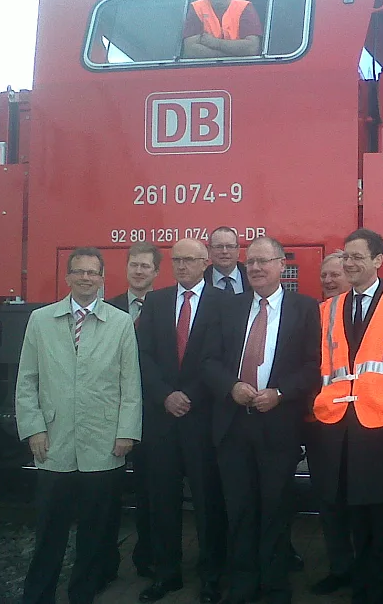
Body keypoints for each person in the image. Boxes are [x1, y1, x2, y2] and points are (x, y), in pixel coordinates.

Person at [15, 247, 142, 604]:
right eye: (79, 272)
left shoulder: (119, 323)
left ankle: (82, 593)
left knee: (95, 531)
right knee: (49, 530)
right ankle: (38, 595)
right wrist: (34, 429)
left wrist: (126, 432)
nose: (86, 278)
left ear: (102, 279)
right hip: (54, 441)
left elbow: (130, 384)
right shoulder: (40, 321)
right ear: (68, 277)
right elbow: (27, 379)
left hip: (103, 444)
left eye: (93, 272)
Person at [202, 236, 321, 604]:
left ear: (281, 265)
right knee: (239, 509)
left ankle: (274, 585)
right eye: (250, 261)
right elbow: (209, 361)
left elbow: (313, 367)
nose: (254, 268)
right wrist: (230, 387)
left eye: (263, 261)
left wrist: (281, 392)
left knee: (275, 509)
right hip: (234, 424)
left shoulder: (306, 309)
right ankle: (242, 585)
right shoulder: (228, 307)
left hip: (278, 425)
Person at [309, 228, 383, 604]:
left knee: (382, 524)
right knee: (352, 519)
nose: (350, 263)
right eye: (346, 257)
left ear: (378, 261)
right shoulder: (328, 309)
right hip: (338, 431)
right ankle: (359, 588)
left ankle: (378, 594)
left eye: (358, 257)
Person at [137, 239, 227, 604]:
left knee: (208, 503)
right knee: (162, 501)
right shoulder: (156, 302)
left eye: (190, 260)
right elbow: (142, 355)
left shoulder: (225, 304)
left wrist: (189, 395)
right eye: (177, 260)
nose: (182, 266)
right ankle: (166, 574)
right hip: (163, 420)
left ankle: (211, 576)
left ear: (205, 262)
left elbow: (222, 357)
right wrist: (164, 395)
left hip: (202, 419)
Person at [103, 243, 162, 585]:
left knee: (149, 491)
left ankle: (146, 556)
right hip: (113, 411)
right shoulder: (107, 308)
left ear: (156, 272)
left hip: (152, 414)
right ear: (126, 269)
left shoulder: (166, 308)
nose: (139, 271)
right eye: (134, 265)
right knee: (108, 492)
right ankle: (105, 561)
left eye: (145, 266)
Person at [307, 250, 355, 595]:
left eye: (334, 274)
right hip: (320, 425)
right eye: (324, 275)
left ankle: (362, 567)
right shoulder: (317, 314)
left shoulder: (364, 316)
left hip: (358, 426)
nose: (327, 280)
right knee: (329, 500)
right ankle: (340, 566)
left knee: (359, 503)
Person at [181, 0, 263, 59]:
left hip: (240, 69)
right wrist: (231, 55)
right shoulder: (197, 8)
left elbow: (252, 48)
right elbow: (191, 50)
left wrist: (215, 42)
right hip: (206, 70)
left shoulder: (245, 7)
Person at [204, 226, 249, 293]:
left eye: (230, 246)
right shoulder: (201, 278)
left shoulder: (251, 275)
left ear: (238, 250)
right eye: (219, 247)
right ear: (209, 250)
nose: (224, 251)